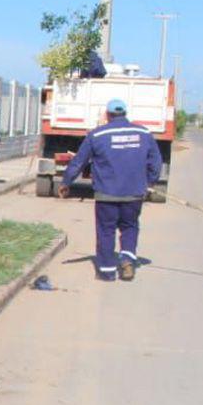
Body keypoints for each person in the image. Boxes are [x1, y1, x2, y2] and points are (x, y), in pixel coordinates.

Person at [59, 98, 163, 282]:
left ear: (107, 115)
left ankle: (107, 272)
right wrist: (150, 182)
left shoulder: (97, 135)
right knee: (130, 227)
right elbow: (155, 161)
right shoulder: (143, 133)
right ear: (125, 113)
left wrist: (66, 182)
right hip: (134, 194)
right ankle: (127, 259)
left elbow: (79, 162)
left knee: (106, 231)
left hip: (106, 194)